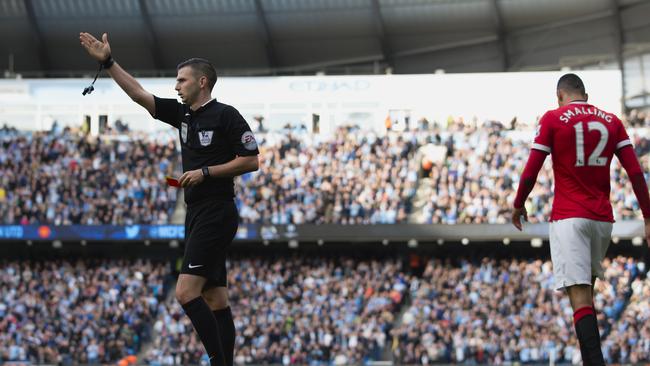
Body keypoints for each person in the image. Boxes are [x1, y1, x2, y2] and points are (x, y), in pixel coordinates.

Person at [80, 32, 259, 366]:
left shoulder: (226, 115)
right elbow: (139, 94)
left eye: (182, 80)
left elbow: (252, 159)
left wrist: (206, 173)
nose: (176, 86)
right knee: (215, 298)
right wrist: (108, 63)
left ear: (202, 82)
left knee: (184, 293)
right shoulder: (183, 116)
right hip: (197, 213)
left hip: (216, 212)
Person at [512, 73, 650, 365]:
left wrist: (518, 203)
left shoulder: (553, 118)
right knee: (586, 296)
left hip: (569, 218)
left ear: (560, 96)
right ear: (585, 96)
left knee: (580, 300)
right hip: (602, 220)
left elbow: (531, 168)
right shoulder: (612, 121)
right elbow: (636, 172)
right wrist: (648, 217)